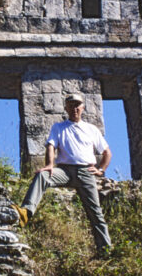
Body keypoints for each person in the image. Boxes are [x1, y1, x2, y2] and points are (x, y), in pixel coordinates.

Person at [14, 93, 113, 255]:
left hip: (86, 172)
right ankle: (26, 212)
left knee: (96, 212)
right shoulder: (58, 127)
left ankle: (105, 250)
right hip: (65, 170)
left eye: (77, 106)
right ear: (66, 108)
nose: (74, 109)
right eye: (71, 105)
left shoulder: (91, 129)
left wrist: (101, 170)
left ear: (82, 108)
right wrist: (49, 165)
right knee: (42, 176)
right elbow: (51, 146)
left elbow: (107, 152)